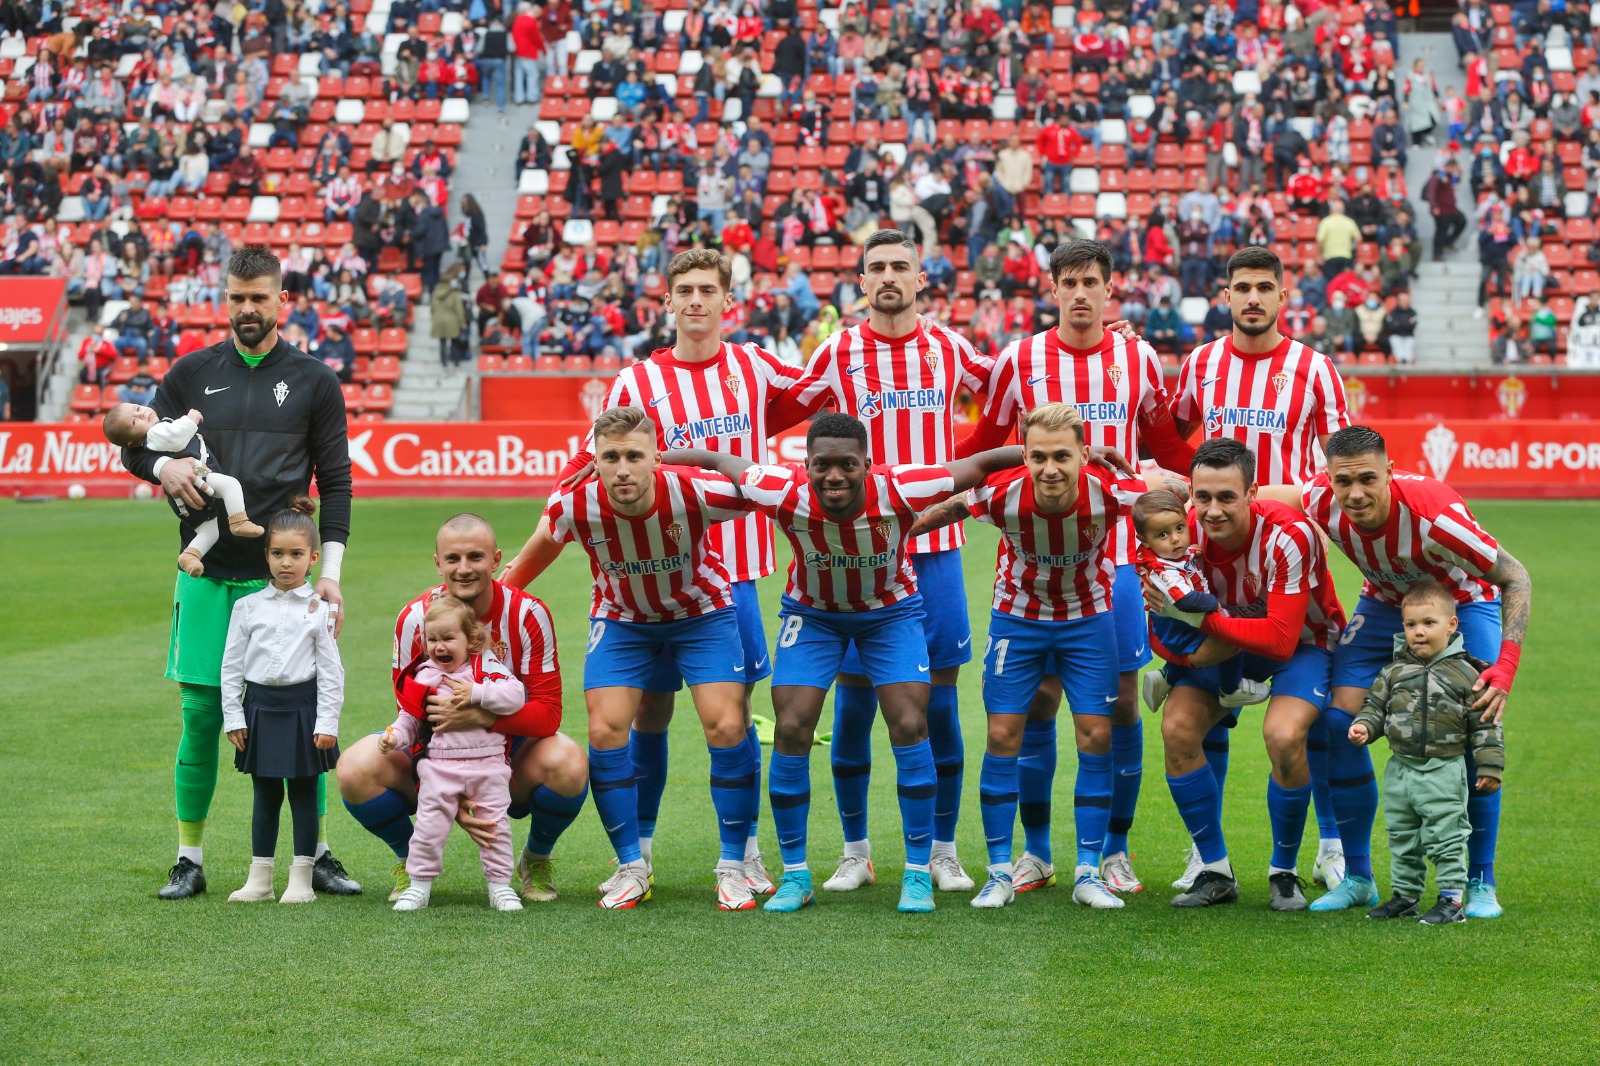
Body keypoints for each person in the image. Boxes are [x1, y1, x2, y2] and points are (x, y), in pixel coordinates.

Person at [670, 413, 1024, 913]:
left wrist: (1060, 452)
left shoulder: (903, 487)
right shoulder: (781, 490)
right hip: (813, 616)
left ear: (868, 465)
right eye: (822, 465)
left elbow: (983, 462)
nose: (833, 476)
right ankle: (796, 876)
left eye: (847, 465)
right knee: (792, 725)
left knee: (909, 722)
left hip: (890, 614)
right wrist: (661, 459)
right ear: (806, 464)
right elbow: (720, 461)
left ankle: (918, 873)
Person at [532, 249, 802, 895]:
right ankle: (639, 851)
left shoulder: (756, 365)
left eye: (709, 289)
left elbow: (814, 406)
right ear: (668, 301)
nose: (697, 301)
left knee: (732, 718)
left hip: (728, 576)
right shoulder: (636, 382)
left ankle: (747, 851)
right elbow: (586, 466)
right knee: (646, 715)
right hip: (641, 581)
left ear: (727, 299)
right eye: (685, 290)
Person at [953, 239, 1198, 894]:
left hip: (1115, 565)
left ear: (1110, 288)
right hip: (1032, 565)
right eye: (1070, 281)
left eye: (1093, 280)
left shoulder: (1137, 357)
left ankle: (1112, 850)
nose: (1082, 292)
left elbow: (1167, 442)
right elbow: (982, 449)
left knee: (1118, 708)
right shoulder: (1020, 359)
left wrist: (1202, 480)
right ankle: (1034, 851)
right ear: (1052, 289)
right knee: (1034, 703)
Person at [119, 246, 358, 901]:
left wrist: (328, 572)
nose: (248, 309)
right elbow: (133, 441)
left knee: (301, 716)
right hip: (205, 574)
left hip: (280, 582)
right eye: (237, 298)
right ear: (225, 300)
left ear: (282, 300)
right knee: (200, 715)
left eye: (259, 297)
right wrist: (158, 468)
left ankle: (319, 853)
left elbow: (335, 483)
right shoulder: (192, 372)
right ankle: (189, 858)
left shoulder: (314, 380)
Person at [785, 229, 1003, 895]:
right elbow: (784, 417)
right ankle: (855, 851)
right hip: (857, 557)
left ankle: (941, 849)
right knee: (851, 710)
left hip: (932, 552)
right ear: (860, 281)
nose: (888, 276)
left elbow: (1001, 410)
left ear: (920, 278)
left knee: (935, 708)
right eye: (876, 267)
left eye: (899, 267)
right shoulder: (838, 350)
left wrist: (964, 483)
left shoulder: (948, 347)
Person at [500, 407, 763, 912]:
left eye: (634, 456)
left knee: (727, 726)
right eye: (611, 457)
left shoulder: (693, 490)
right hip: (623, 621)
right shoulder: (574, 505)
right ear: (593, 461)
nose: (623, 468)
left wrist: (706, 456)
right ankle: (631, 866)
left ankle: (735, 865)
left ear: (656, 459)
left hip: (702, 613)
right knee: (605, 731)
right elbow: (526, 564)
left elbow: (758, 486)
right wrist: (477, 624)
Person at [909, 404, 1159, 910]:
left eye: (1062, 456)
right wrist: (897, 539)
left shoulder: (1111, 492)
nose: (1050, 468)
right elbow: (953, 507)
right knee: (1002, 734)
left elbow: (1170, 497)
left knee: (1096, 734)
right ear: (1023, 456)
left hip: (1088, 623)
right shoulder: (1003, 494)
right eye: (1038, 456)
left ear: (1085, 455)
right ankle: (1000, 870)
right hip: (1016, 623)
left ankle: (1089, 871)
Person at [1170, 245, 1354, 895]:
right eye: (1240, 287)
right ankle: (1209, 858)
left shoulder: (1315, 369)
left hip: (1286, 560)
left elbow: (1341, 469)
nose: (1252, 298)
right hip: (1218, 561)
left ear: (1283, 297)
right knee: (1199, 717)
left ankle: (1329, 844)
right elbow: (1174, 436)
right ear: (1225, 296)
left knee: (1306, 727)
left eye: (1263, 288)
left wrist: (1273, 499)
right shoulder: (1201, 364)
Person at [1294, 425, 1531, 919]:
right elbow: (1272, 494)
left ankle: (1478, 879)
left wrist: (1505, 666)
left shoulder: (1435, 518)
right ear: (1330, 480)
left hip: (1463, 604)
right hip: (1383, 606)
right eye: (1344, 482)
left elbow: (1515, 576)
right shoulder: (1321, 498)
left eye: (1367, 479)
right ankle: (1359, 876)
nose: (1355, 493)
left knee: (1475, 727)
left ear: (1389, 473)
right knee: (1339, 721)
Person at [338, 514, 587, 903]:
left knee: (569, 762)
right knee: (354, 768)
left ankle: (535, 858)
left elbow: (548, 714)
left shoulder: (528, 614)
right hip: (439, 756)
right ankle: (410, 862)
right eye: (453, 559)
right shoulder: (415, 619)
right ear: (438, 563)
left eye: (475, 557)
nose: (464, 569)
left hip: (509, 758)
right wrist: (452, 795)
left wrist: (484, 717)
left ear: (496, 559)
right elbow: (413, 714)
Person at [1143, 439, 1347, 911]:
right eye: (1203, 497)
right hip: (1228, 648)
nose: (1212, 511)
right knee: (1176, 728)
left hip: (1302, 645)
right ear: (1189, 494)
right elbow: (1159, 621)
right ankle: (1214, 870)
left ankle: (1284, 871)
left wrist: (1198, 621)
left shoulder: (1288, 535)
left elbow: (1279, 638)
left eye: (1227, 497)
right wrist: (1187, 657)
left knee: (1282, 734)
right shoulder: (1178, 533)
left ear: (1252, 492)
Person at [1349, 580, 1504, 924]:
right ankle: (1406, 895)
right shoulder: (1394, 671)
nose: (1418, 632)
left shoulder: (1469, 674)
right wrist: (1365, 726)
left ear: (1451, 625)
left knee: (1446, 835)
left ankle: (1451, 900)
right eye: (1410, 624)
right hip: (1400, 768)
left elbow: (1486, 723)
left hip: (1444, 768)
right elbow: (1375, 706)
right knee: (1402, 835)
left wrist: (1490, 766)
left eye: (1428, 623)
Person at [219, 497, 343, 905]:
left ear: (313, 557)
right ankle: (260, 878)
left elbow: (330, 672)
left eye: (295, 554)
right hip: (258, 709)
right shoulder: (246, 606)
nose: (285, 562)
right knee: (265, 793)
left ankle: (302, 878)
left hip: (303, 710)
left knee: (305, 793)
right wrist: (233, 716)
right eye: (277, 553)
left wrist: (327, 723)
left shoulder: (320, 609)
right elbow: (231, 666)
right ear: (266, 554)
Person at [382, 596, 528, 912]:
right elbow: (412, 719)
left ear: (471, 639)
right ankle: (418, 886)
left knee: (494, 826)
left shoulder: (485, 666)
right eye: (433, 639)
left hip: (488, 763)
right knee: (428, 828)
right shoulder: (423, 676)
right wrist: (394, 736)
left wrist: (478, 693)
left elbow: (515, 696)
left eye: (448, 638)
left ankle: (500, 886)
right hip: (439, 766)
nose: (440, 646)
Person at [1134, 490, 1269, 715]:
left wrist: (1191, 552)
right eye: (1163, 534)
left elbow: (1183, 560)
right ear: (1145, 540)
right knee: (1232, 636)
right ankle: (1230, 689)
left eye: (1179, 528)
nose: (1176, 539)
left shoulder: (1170, 555)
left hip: (1176, 624)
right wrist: (1213, 604)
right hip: (1177, 627)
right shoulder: (1162, 571)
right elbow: (1185, 599)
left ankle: (1167, 676)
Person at [101, 404, 264, 573]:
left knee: (208, 531)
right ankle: (239, 521)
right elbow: (176, 437)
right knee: (231, 485)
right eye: (134, 421)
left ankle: (191, 556)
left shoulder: (155, 432)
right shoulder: (155, 432)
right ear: (133, 443)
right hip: (196, 478)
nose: (141, 414)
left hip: (183, 493)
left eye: (137, 408)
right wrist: (190, 419)